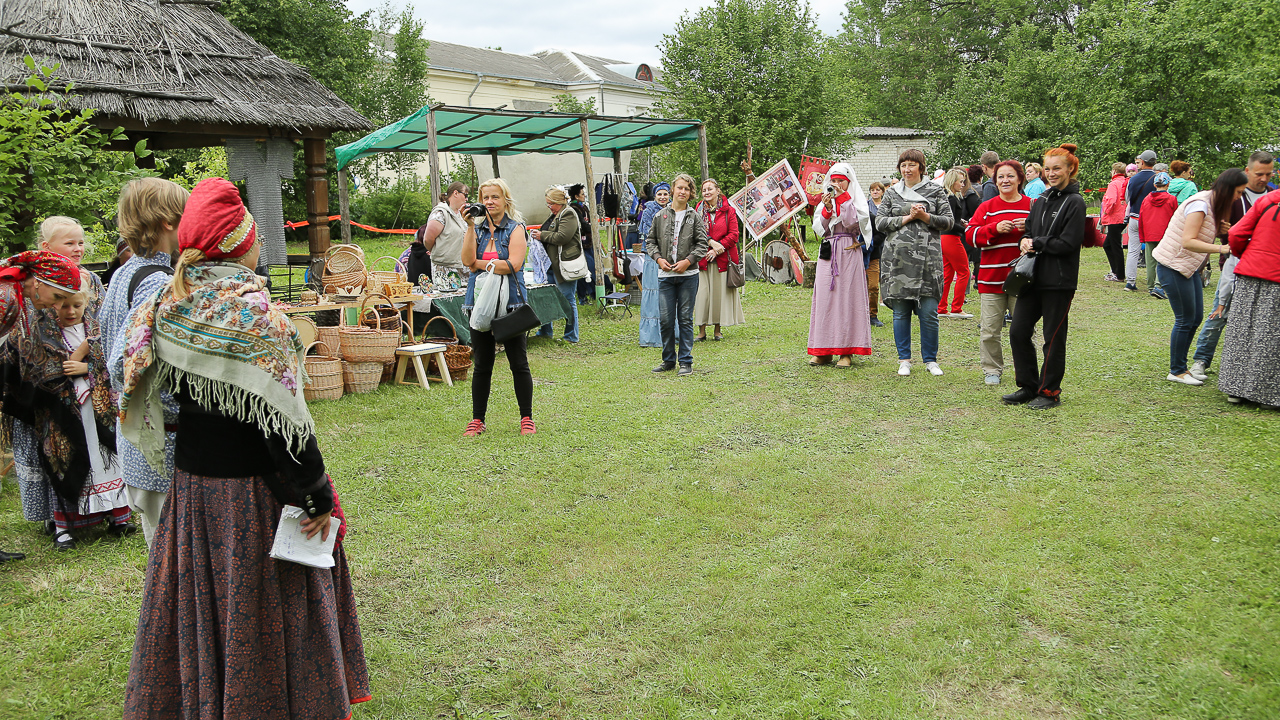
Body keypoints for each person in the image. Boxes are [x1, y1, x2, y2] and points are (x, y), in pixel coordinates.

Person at [119, 178, 369, 718]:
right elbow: (284, 430)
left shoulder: (169, 304)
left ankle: (210, 700)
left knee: (210, 602)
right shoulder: (258, 319)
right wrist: (316, 497)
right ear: (241, 245)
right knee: (260, 605)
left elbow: (139, 384)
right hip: (253, 500)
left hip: (193, 495)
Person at [101, 177, 187, 546]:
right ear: (168, 221)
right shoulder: (157, 282)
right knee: (173, 558)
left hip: (137, 439)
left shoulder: (125, 272)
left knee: (163, 554)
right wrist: (181, 409)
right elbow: (123, 362)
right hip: (159, 443)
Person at [0, 250, 81, 563]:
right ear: (38, 283)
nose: (58, 307)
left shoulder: (16, 295)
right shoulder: (6, 297)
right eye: (57, 297)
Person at [1003, 143, 1087, 410]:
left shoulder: (1075, 202)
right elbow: (1029, 230)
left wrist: (1037, 242)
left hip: (1058, 281)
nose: (1051, 174)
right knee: (1018, 331)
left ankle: (1050, 391)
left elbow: (1069, 242)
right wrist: (1025, 240)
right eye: (1048, 169)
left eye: (1057, 169)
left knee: (1053, 338)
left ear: (1070, 169)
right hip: (1031, 278)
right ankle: (1028, 386)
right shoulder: (1041, 199)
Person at [1153, 169, 1243, 385]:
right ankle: (1177, 371)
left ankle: (1182, 368)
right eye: (1238, 192)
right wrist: (1222, 248)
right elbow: (1188, 241)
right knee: (1185, 319)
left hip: (1188, 266)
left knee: (1194, 318)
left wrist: (1219, 230)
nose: (1239, 197)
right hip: (1173, 265)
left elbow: (1201, 232)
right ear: (1227, 189)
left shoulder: (1212, 204)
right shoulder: (1200, 204)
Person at [460, 178, 535, 436]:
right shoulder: (477, 230)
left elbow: (513, 264)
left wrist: (480, 264)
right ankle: (477, 420)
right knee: (482, 364)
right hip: (480, 303)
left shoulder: (516, 228)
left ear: (505, 200)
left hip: (511, 303)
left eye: (495, 197)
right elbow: (466, 260)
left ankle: (527, 418)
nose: (489, 202)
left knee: (518, 363)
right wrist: (470, 226)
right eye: (485, 198)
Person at [875, 149, 954, 377]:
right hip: (897, 262)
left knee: (929, 313)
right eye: (903, 165)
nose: (907, 170)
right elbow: (880, 222)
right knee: (900, 313)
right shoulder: (892, 193)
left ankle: (931, 360)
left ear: (921, 167)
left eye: (911, 165)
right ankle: (904, 360)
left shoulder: (935, 190)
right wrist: (907, 218)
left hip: (928, 262)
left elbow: (949, 222)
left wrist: (925, 217)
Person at [967, 160, 1033, 385]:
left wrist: (1030, 228)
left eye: (1010, 176)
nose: (1005, 180)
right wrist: (993, 228)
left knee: (1024, 330)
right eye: (1001, 177)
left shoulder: (1032, 205)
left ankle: (1025, 370)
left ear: (1020, 179)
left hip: (1023, 279)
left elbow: (1044, 235)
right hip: (991, 278)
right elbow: (970, 236)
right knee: (990, 330)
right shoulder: (987, 207)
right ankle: (992, 370)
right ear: (995, 181)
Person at [1219, 182, 1280, 407]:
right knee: (1271, 335)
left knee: (1242, 329)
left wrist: (1247, 254)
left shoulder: (1268, 200)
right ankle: (1266, 395)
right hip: (1276, 278)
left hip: (1249, 273)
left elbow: (1236, 233)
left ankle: (1234, 389)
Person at [808, 163, 873, 368]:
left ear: (848, 182)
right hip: (828, 252)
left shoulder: (855, 201)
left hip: (848, 250)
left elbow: (853, 224)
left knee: (847, 298)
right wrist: (828, 209)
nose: (836, 184)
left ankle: (846, 351)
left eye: (840, 181)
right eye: (833, 181)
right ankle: (824, 350)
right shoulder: (824, 202)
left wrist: (843, 199)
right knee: (825, 299)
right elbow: (820, 229)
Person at [645, 173, 709, 377]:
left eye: (687, 189)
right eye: (680, 187)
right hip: (665, 276)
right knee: (665, 319)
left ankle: (685, 361)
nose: (682, 191)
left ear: (691, 193)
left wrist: (688, 261)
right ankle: (668, 360)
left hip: (688, 275)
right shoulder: (659, 216)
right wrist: (658, 259)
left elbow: (702, 244)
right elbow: (650, 241)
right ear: (672, 190)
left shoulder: (695, 216)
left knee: (685, 318)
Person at [694, 178, 743, 342]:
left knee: (719, 294)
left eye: (710, 189)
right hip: (702, 258)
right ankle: (701, 331)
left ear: (717, 191)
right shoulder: (698, 210)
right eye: (704, 190)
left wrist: (718, 248)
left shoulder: (729, 211)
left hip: (723, 259)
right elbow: (696, 232)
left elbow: (734, 234)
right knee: (702, 294)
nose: (706, 192)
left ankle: (717, 329)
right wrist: (710, 243)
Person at [531, 186, 582, 343]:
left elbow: (563, 237)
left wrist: (542, 235)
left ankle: (571, 335)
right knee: (546, 297)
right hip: (550, 265)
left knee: (567, 300)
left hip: (566, 265)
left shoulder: (568, 213)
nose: (549, 207)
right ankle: (545, 331)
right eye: (547, 203)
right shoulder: (555, 215)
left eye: (551, 203)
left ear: (559, 202)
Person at [39, 216, 104, 315]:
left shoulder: (92, 279)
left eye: (80, 243)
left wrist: (86, 290)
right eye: (69, 243)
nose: (78, 249)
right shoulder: (38, 280)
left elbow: (103, 314)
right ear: (47, 247)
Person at [636, 182, 670, 347]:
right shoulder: (649, 211)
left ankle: (670, 333)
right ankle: (652, 335)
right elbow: (650, 233)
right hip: (653, 256)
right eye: (659, 194)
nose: (662, 197)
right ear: (655, 196)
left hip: (670, 256)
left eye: (665, 194)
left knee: (668, 293)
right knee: (653, 291)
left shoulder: (674, 209)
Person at [419, 181, 470, 285]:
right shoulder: (440, 213)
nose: (466, 199)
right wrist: (437, 251)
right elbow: (428, 239)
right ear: (455, 193)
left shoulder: (460, 215)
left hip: (462, 267)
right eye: (465, 195)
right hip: (445, 268)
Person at [938, 167, 973, 318]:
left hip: (944, 238)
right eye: (961, 181)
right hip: (951, 238)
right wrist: (966, 229)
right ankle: (957, 308)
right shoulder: (952, 198)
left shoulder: (947, 196)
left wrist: (961, 222)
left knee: (948, 273)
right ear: (953, 182)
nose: (963, 184)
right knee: (964, 272)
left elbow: (950, 219)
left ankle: (941, 307)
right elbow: (950, 222)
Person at [1139, 172, 1178, 299]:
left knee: (1150, 261)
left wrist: (1142, 236)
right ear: (1168, 184)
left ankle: (1151, 286)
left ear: (1155, 184)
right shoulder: (1172, 199)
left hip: (1149, 233)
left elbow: (1141, 218)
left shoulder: (1146, 199)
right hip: (1165, 234)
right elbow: (1175, 218)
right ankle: (1158, 285)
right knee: (1163, 260)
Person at [1124, 150, 1159, 292]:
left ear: (1142, 162)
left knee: (1133, 250)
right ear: (1154, 162)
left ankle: (1130, 282)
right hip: (1152, 219)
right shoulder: (1157, 179)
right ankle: (1155, 282)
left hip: (1134, 216)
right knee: (1153, 251)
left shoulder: (1133, 179)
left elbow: (1128, 198)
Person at [1099, 162, 1130, 282]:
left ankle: (1119, 274)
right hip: (1123, 216)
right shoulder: (1126, 182)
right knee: (1108, 245)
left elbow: (1111, 200)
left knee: (1115, 246)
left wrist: (1106, 212)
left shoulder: (1113, 184)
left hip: (1114, 217)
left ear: (1114, 171)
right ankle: (1115, 270)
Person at [867, 181, 888, 327]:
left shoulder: (876, 213)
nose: (875, 192)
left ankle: (872, 315)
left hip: (874, 254)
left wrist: (869, 245)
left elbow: (881, 234)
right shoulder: (864, 208)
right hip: (856, 255)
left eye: (877, 190)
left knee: (873, 286)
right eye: (872, 190)